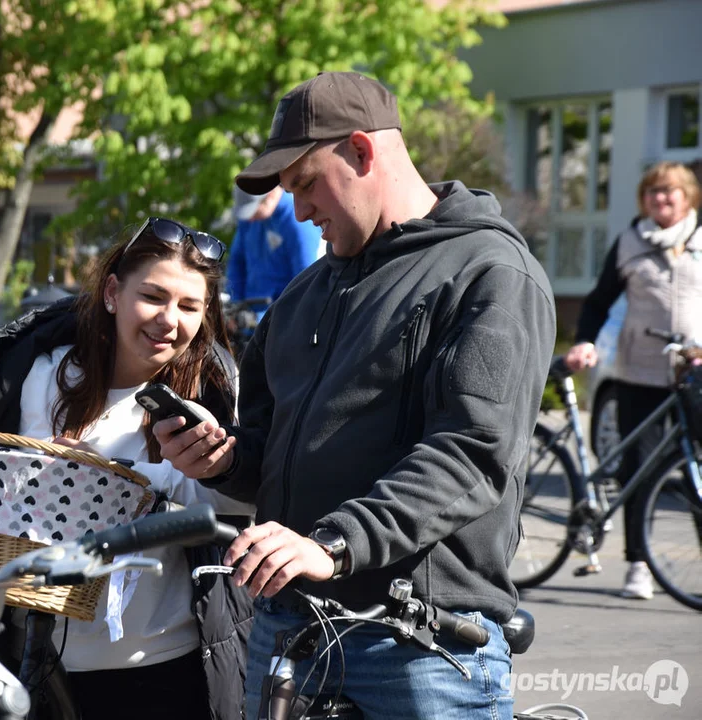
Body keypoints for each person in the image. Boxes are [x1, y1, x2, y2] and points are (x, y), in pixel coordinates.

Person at [156, 71, 556, 719]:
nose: (299, 210)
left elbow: (469, 455)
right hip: (287, 633)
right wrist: (223, 459)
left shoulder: (488, 272)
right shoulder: (302, 296)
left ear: (363, 152)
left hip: (417, 646)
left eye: (305, 184)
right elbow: (269, 450)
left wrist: (332, 544)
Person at [0, 217, 256, 720]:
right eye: (154, 296)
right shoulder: (35, 374)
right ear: (113, 292)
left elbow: (235, 511)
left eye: (189, 306)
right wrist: (23, 468)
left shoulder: (206, 403)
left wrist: (156, 476)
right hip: (34, 665)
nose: (170, 320)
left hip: (165, 665)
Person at [563, 161, 702, 601]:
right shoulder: (629, 242)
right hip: (639, 371)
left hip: (693, 372)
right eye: (653, 192)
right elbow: (600, 300)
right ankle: (638, 564)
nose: (660, 200)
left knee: (696, 469)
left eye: (669, 192)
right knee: (639, 470)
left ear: (688, 197)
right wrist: (584, 341)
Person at [227, 186, 322, 312]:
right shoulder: (249, 219)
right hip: (248, 313)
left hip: (279, 317)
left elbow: (306, 283)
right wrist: (235, 304)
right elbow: (236, 262)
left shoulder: (298, 222)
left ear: (270, 195)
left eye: (253, 211)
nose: (250, 218)